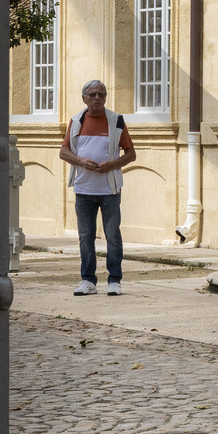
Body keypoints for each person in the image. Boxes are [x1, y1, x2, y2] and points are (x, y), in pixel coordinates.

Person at [61, 79, 135, 297]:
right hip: (84, 189)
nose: (97, 98)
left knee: (112, 234)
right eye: (92, 94)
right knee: (86, 236)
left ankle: (114, 280)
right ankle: (88, 280)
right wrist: (80, 161)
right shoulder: (75, 121)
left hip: (110, 189)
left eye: (101, 94)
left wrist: (112, 164)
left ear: (105, 98)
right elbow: (63, 152)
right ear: (84, 98)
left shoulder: (116, 121)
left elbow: (131, 154)